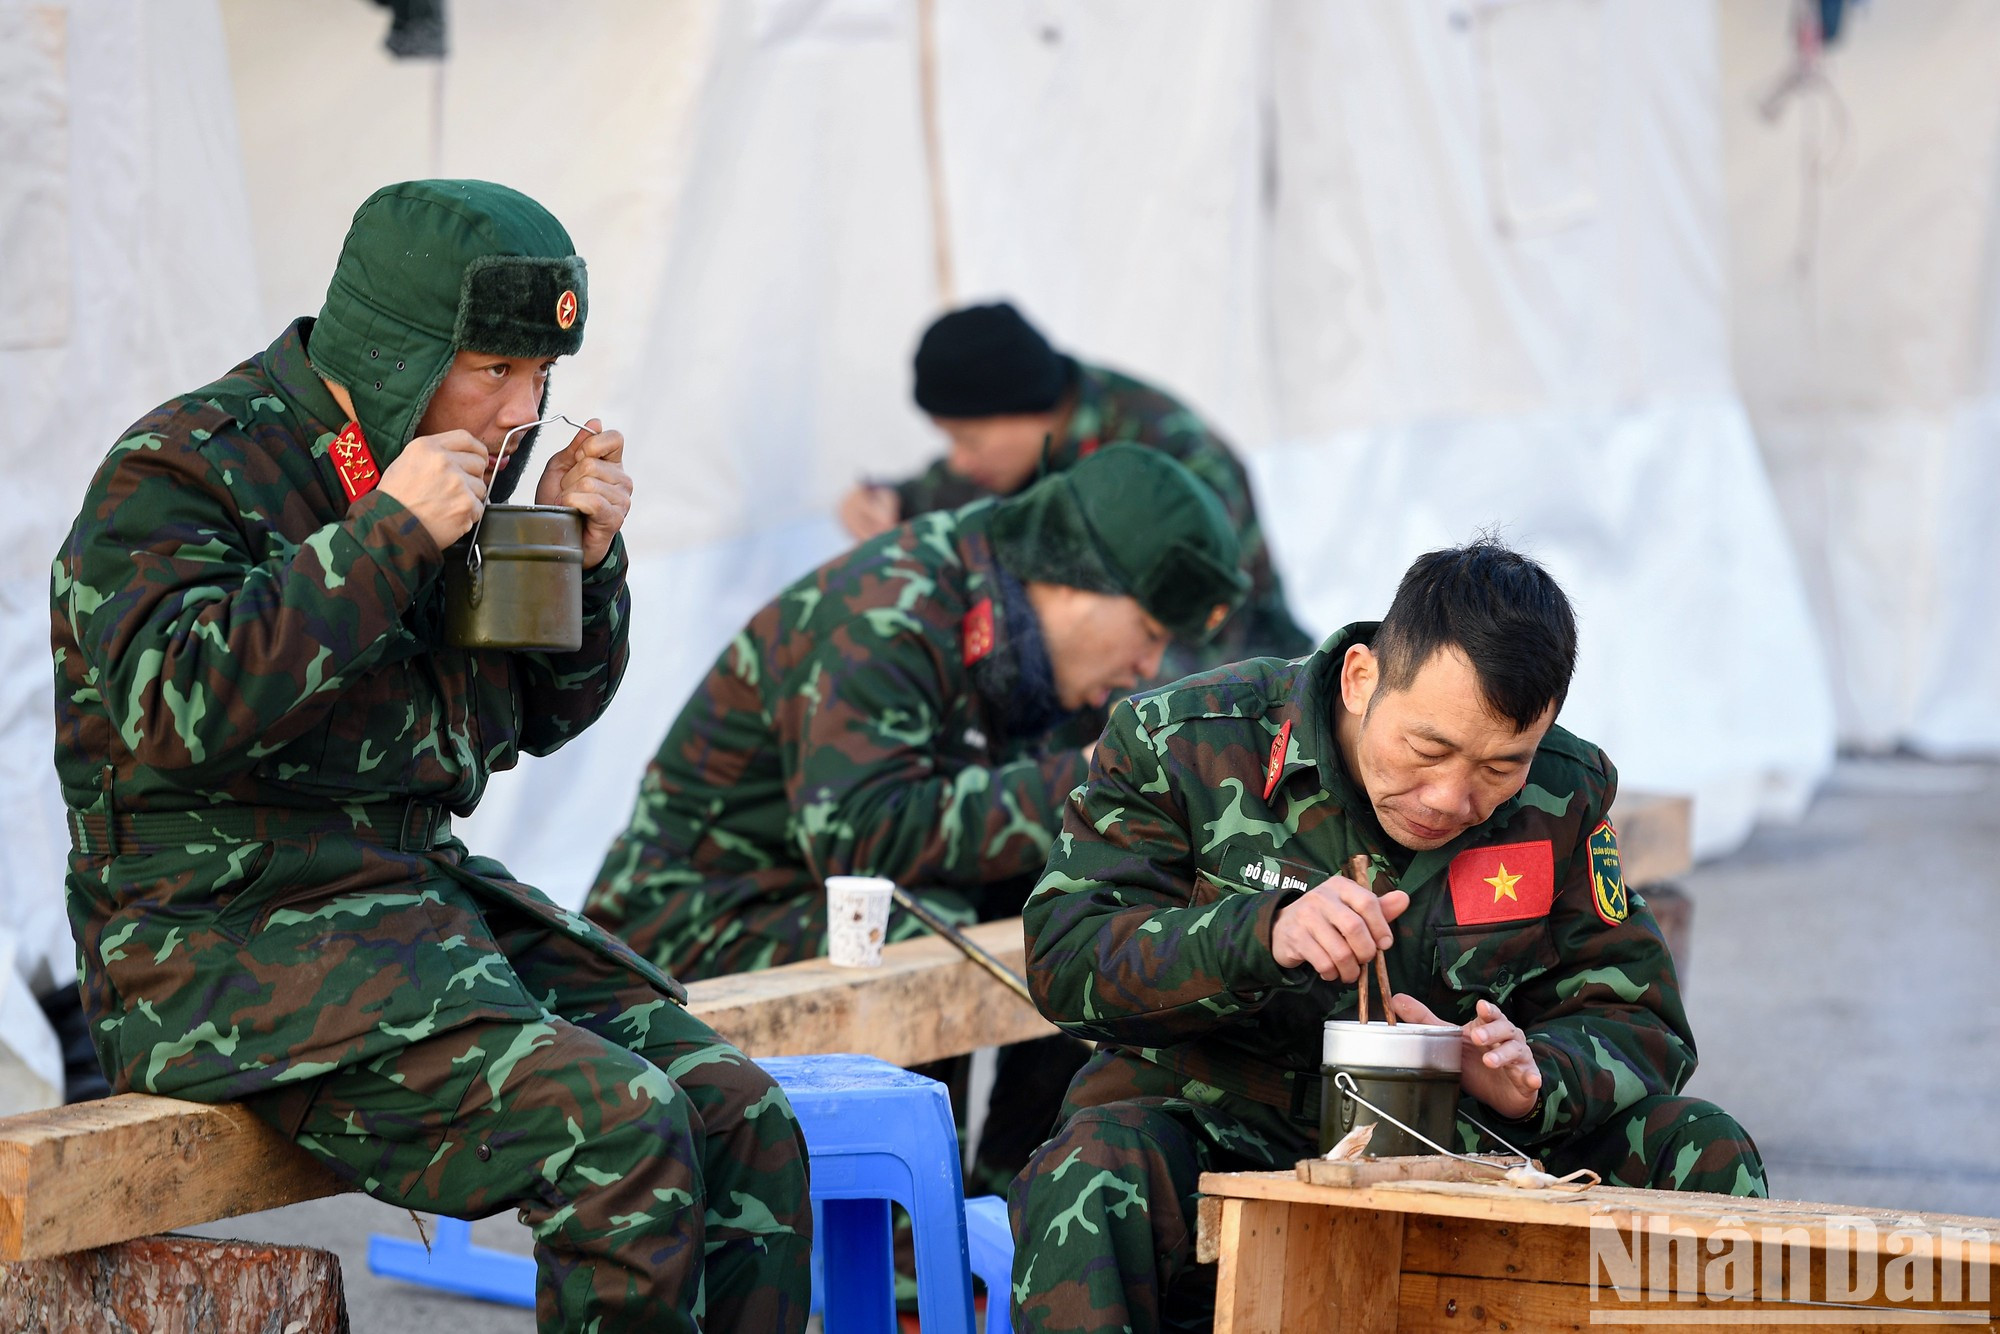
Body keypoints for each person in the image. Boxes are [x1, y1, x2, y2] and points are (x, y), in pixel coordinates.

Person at [51, 179, 809, 1333]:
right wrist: (384, 539)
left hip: (404, 909)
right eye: (492, 369)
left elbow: (526, 719)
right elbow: (179, 709)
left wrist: (577, 560)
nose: (522, 406)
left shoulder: (443, 466)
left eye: (540, 374)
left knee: (737, 1108)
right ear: (399, 346)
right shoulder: (185, 466)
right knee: (618, 1132)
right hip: (213, 939)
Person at [1008, 540, 1766, 1333]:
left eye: (1500, 768)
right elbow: (1067, 958)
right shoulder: (1183, 741)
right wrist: (1256, 936)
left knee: (1700, 1147)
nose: (1451, 798)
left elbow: (1642, 1019)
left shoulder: (1563, 795)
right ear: (1362, 677)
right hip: (1219, 1129)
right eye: (1427, 749)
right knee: (1091, 1170)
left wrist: (1537, 1075)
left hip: (1462, 1151)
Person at [583, 443, 1246, 1188]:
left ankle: (1015, 1214)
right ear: (1079, 586)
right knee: (927, 928)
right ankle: (909, 1275)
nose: (1148, 668)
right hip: (681, 927)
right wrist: (1085, 778)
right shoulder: (891, 605)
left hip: (802, 907)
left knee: (1090, 916)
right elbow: (860, 839)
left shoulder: (1016, 623)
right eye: (1150, 634)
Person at [838, 301, 1312, 670]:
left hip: (1238, 674)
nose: (959, 460)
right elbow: (936, 494)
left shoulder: (1167, 454)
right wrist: (879, 501)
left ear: (1030, 409)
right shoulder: (1026, 439)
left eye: (969, 439)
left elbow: (1195, 628)